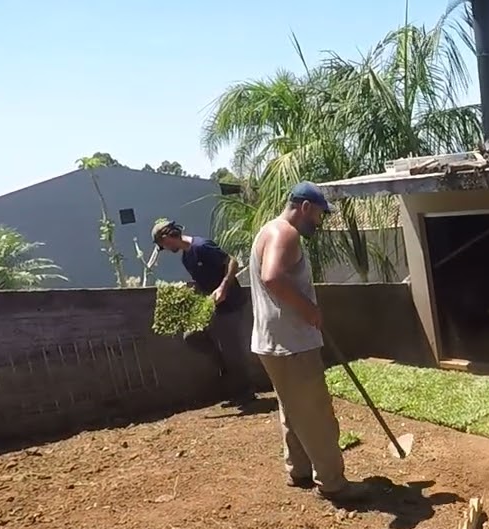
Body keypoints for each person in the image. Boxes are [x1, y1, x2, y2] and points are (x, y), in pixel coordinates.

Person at [248, 181, 367, 503]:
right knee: (316, 414)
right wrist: (308, 309)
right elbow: (272, 276)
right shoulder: (285, 233)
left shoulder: (266, 231)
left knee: (292, 407)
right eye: (319, 214)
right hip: (292, 344)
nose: (319, 221)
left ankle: (299, 469)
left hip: (272, 342)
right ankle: (333, 484)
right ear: (304, 207)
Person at [152, 220, 254, 405]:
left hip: (230, 303)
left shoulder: (201, 246)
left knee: (232, 350)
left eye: (163, 245)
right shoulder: (186, 258)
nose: (165, 249)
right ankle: (224, 366)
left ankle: (245, 393)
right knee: (192, 336)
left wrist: (223, 287)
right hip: (211, 306)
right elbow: (202, 283)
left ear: (167, 237)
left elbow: (232, 262)